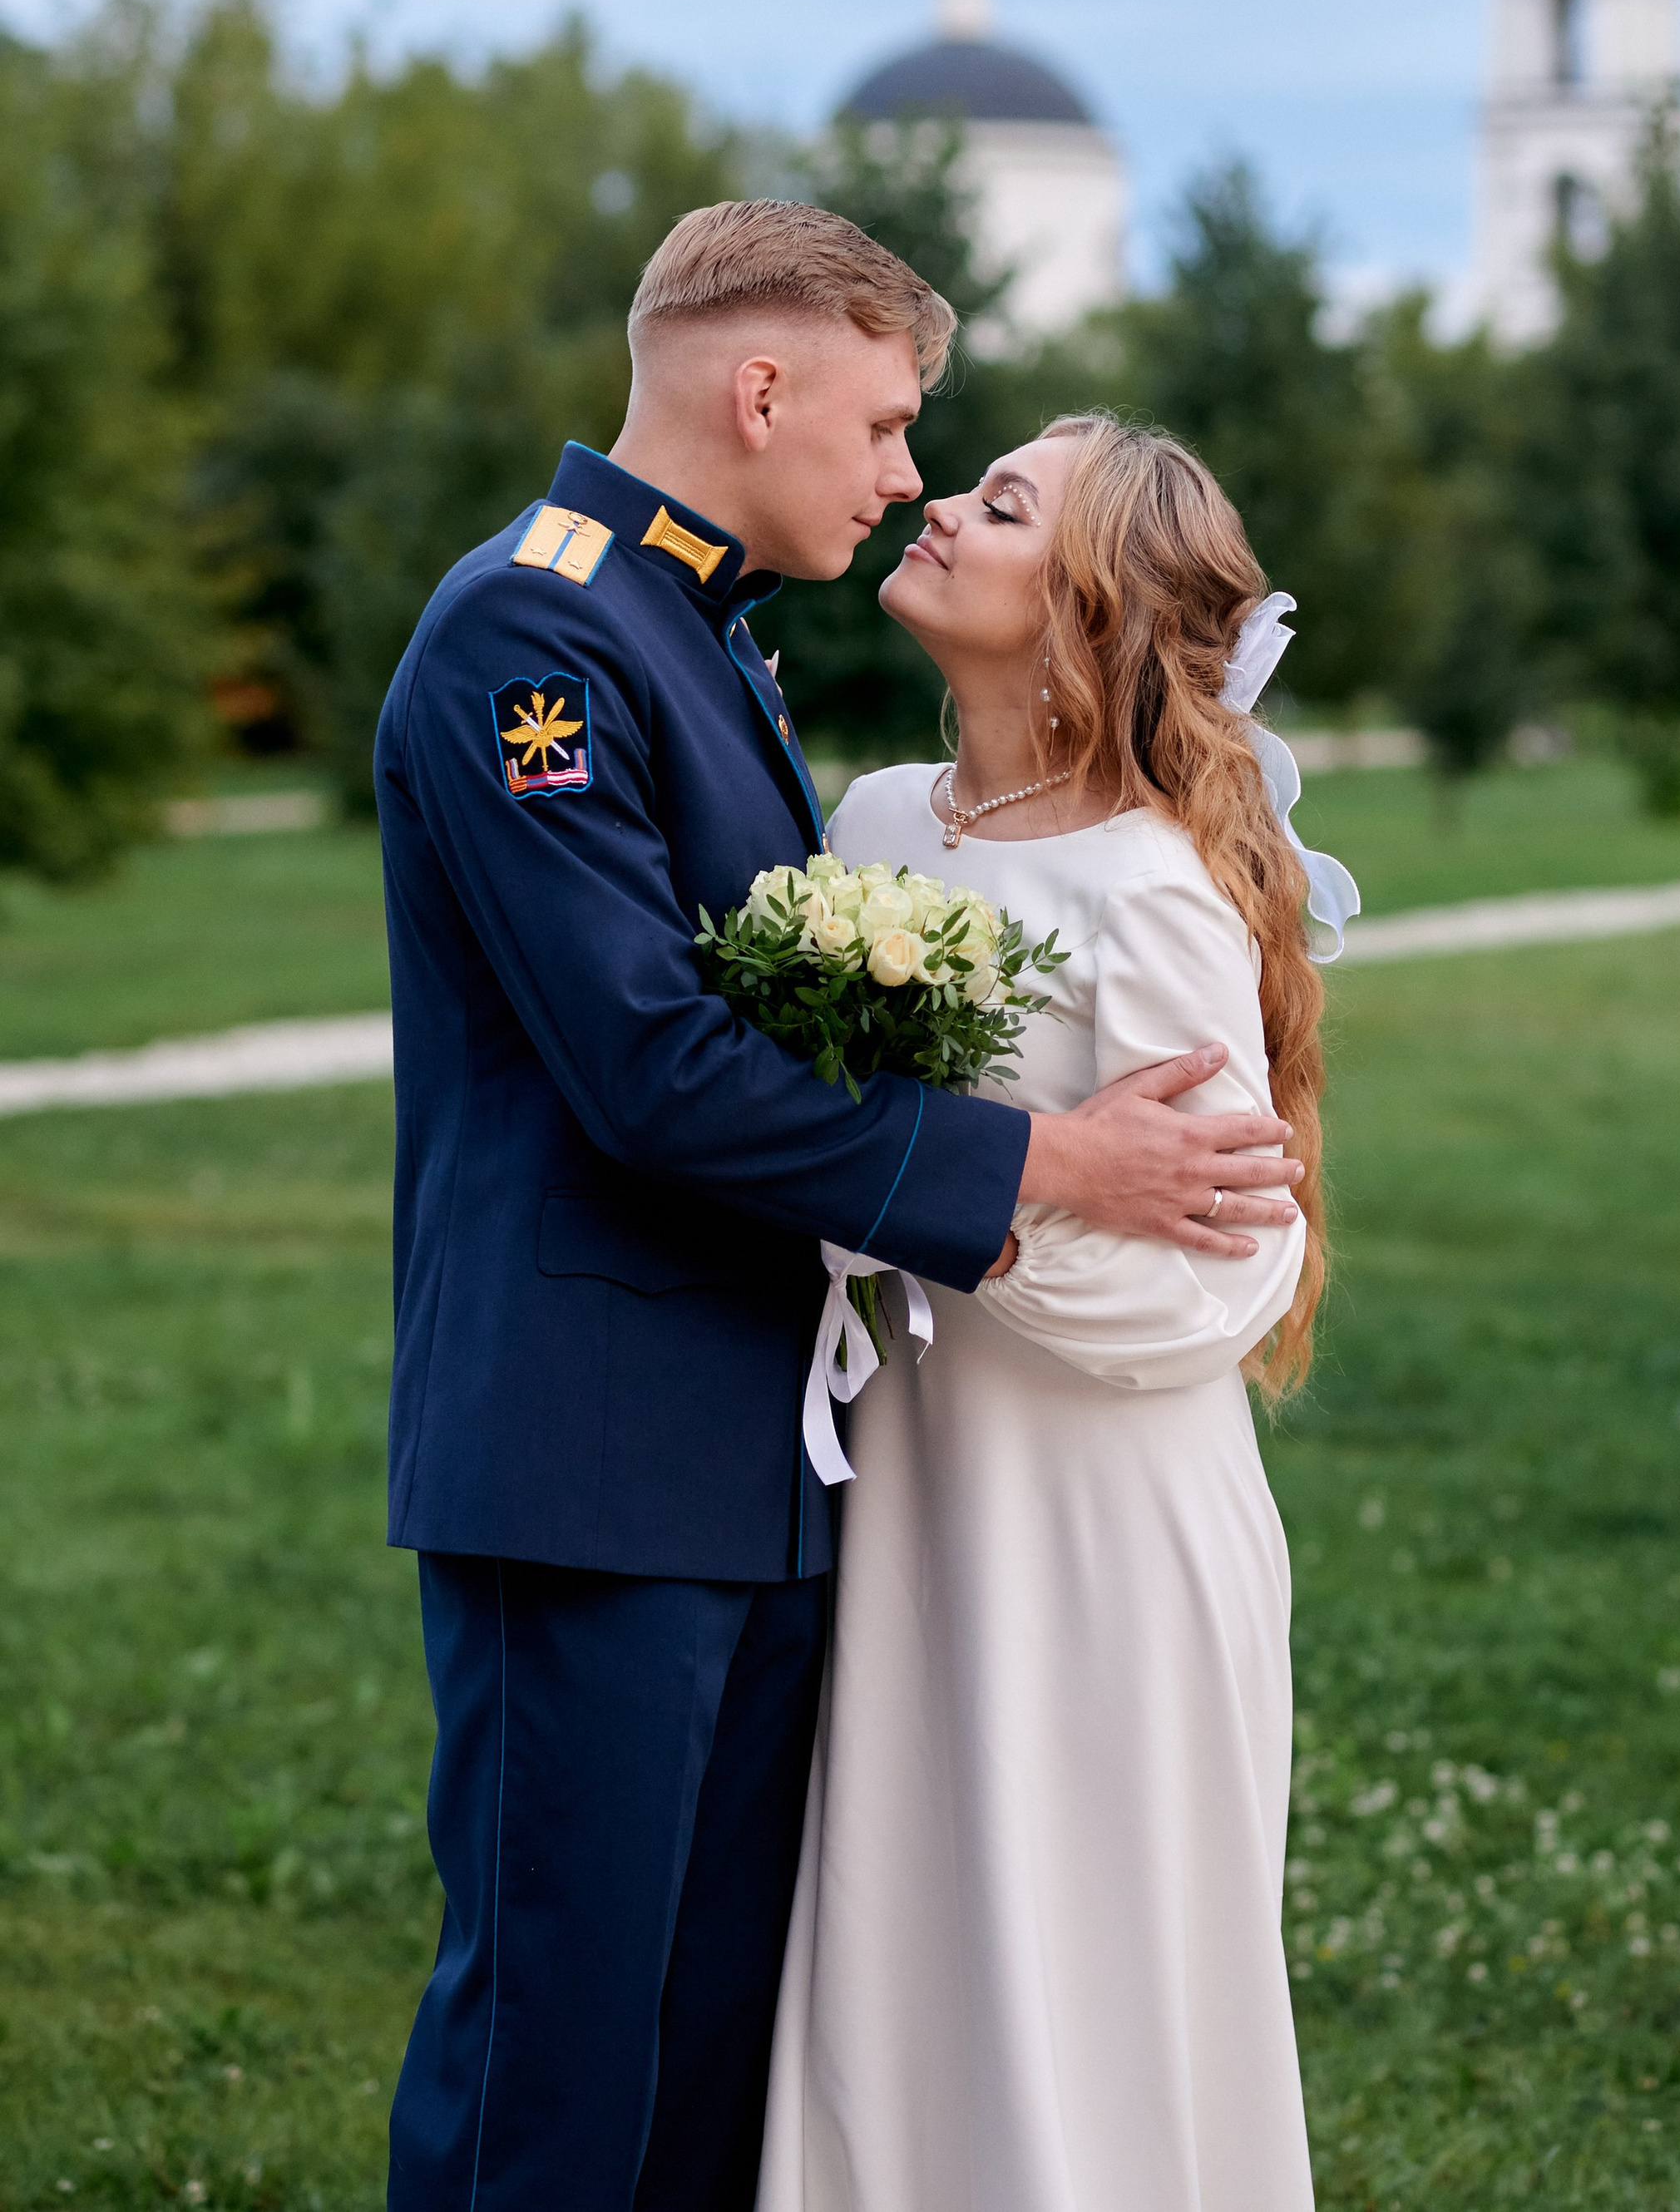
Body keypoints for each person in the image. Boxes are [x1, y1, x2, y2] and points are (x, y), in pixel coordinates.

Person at [375, 208, 1302, 2212]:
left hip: (773, 1467)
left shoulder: (694, 630)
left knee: (711, 2057)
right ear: (761, 386)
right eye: (891, 428)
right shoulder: (531, 633)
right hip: (594, 1449)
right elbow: (650, 1067)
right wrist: (1047, 1162)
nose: (899, 480)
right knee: (557, 2053)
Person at [758, 411, 1356, 2212]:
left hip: (1097, 1523)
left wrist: (945, 1213)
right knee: (902, 1936)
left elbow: (1218, 1266)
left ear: (1086, 608)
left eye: (1003, 502)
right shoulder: (871, 824)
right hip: (914, 1490)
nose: (940, 496)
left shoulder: (1152, 883)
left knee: (1080, 1974)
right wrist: (915, 1187)